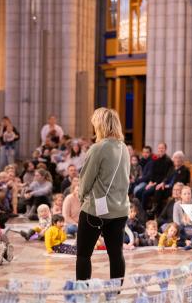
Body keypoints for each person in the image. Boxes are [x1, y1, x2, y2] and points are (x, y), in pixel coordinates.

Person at [76, 107, 130, 282]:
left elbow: (86, 179)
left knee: (84, 255)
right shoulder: (124, 148)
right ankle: (115, 293)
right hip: (120, 209)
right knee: (116, 254)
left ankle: (81, 292)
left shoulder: (98, 148)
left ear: (100, 125)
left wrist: (82, 197)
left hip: (96, 210)